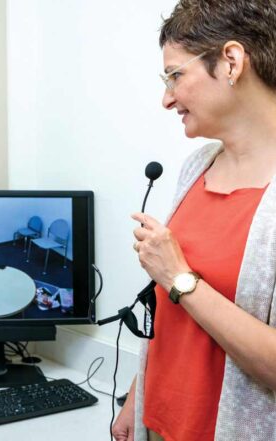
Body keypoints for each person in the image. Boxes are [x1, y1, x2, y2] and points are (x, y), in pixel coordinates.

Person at [112, 1, 276, 440]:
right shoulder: (197, 166)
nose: (167, 98)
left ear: (231, 62)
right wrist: (135, 396)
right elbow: (174, 314)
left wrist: (180, 278)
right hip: (161, 421)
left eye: (175, 76)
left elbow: (179, 286)